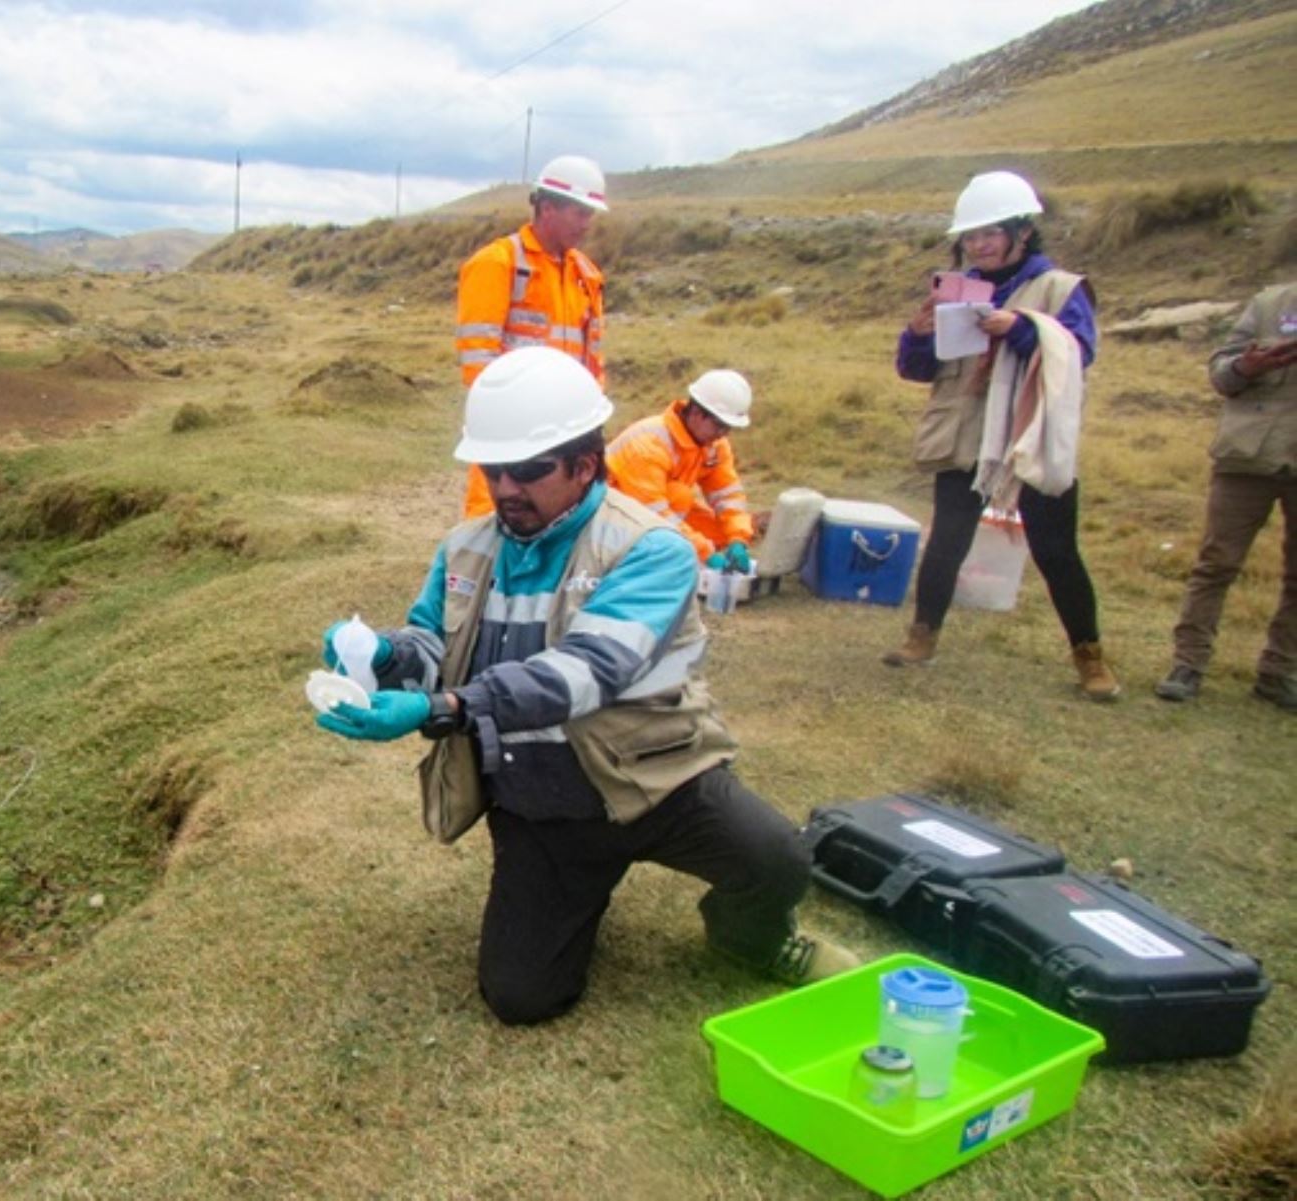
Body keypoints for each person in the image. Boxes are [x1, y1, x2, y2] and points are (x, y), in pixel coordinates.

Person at [313, 347, 856, 1027]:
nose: (507, 487)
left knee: (780, 860)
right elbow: (435, 646)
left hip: (659, 780)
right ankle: (573, 886)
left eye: (530, 470)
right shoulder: (464, 547)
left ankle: (752, 940)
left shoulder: (650, 548)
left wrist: (446, 706)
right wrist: (387, 656)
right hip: (539, 802)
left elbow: (587, 671)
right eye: (493, 468)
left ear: (585, 464)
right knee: (520, 997)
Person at [883, 170, 1120, 701]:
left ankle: (1090, 658)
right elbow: (920, 369)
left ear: (1024, 232)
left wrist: (1018, 329)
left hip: (1029, 435)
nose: (979, 245)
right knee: (947, 539)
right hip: (966, 434)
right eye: (970, 236)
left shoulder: (1060, 288)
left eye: (991, 233)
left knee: (1056, 548)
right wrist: (917, 336)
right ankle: (922, 636)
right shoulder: (958, 289)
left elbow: (1077, 353)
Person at [1154, 282, 1297, 711]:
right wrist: (1248, 367)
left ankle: (1279, 671)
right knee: (1217, 563)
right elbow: (1220, 371)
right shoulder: (1271, 304)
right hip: (1248, 455)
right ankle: (1188, 664)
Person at [455, 154, 608, 518]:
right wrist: (509, 419)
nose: (587, 224)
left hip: (567, 428)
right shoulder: (497, 263)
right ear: (548, 208)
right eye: (580, 213)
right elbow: (477, 360)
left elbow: (593, 360)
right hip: (512, 427)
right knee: (496, 520)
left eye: (590, 214)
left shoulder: (586, 274)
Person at [606, 369, 757, 571]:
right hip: (612, 518)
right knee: (679, 496)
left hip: (656, 513)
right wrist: (706, 554)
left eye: (728, 428)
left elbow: (728, 494)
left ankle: (673, 554)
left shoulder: (713, 444)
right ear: (696, 413)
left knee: (722, 532)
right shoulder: (648, 444)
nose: (723, 434)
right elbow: (655, 513)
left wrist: (738, 539)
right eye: (719, 426)